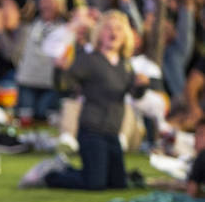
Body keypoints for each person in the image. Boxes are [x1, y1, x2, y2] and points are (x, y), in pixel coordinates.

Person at [21, 11, 147, 190]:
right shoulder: (89, 60)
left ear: (125, 35)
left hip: (112, 132)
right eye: (108, 28)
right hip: (92, 131)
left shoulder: (125, 65)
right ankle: (52, 175)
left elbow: (135, 94)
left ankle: (67, 168)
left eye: (119, 29)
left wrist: (142, 85)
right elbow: (63, 85)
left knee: (118, 184)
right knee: (94, 183)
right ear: (99, 34)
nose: (114, 32)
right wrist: (59, 69)